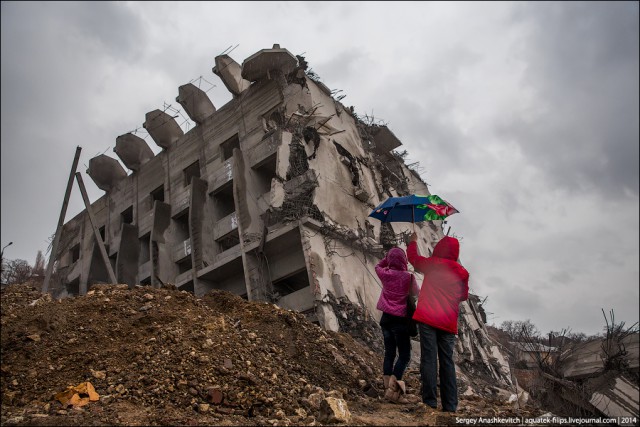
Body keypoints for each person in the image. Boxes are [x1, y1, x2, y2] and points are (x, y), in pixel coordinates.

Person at [407, 232, 469, 412]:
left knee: (429, 359)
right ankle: (450, 405)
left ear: (439, 249)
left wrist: (412, 242)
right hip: (448, 322)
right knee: (447, 361)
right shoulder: (462, 273)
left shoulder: (433, 265)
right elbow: (463, 296)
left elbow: (414, 259)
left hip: (427, 318)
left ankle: (430, 402)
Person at [375, 247, 420, 403]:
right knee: (405, 355)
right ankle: (393, 390)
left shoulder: (385, 273)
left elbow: (377, 266)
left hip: (386, 320)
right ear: (404, 261)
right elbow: (416, 293)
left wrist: (387, 260)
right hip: (400, 321)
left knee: (389, 353)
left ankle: (387, 386)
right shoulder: (409, 277)